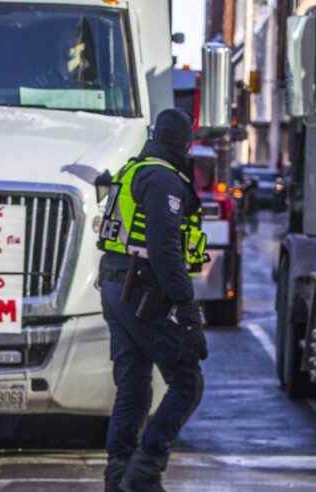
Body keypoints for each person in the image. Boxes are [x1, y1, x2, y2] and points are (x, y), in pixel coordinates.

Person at [96, 108, 209, 492]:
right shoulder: (163, 180)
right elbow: (164, 251)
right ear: (184, 142)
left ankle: (118, 477)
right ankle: (145, 470)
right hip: (140, 289)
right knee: (187, 381)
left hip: (117, 285)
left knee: (133, 384)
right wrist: (187, 307)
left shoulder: (135, 170)